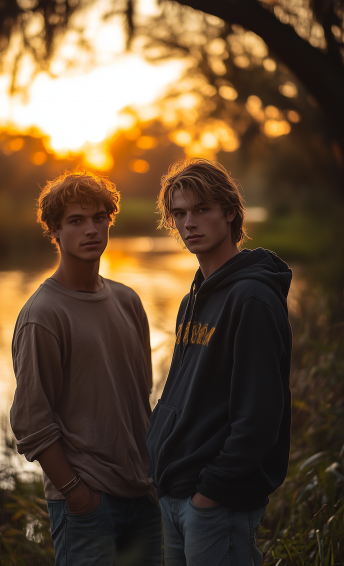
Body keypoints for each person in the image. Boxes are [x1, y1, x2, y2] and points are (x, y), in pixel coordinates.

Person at [10, 170, 161, 566]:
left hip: (143, 497)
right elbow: (31, 421)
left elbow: (138, 400)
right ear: (55, 231)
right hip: (88, 505)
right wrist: (77, 494)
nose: (91, 229)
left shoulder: (128, 301)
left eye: (99, 218)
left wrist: (153, 476)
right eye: (76, 221)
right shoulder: (43, 315)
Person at [145, 158, 292, 566]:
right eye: (179, 213)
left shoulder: (252, 299)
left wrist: (209, 495)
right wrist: (161, 464)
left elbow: (260, 417)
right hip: (176, 494)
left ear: (230, 212)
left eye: (202, 209)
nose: (189, 223)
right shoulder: (193, 298)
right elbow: (181, 392)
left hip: (215, 504)